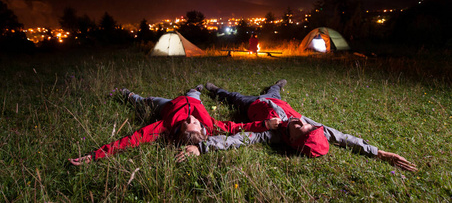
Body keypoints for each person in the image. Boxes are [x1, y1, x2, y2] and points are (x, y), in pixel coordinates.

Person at [177, 80, 418, 171]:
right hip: (276, 100)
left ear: (293, 141)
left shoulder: (273, 135)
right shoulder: (307, 125)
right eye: (306, 124)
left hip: (254, 106)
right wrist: (378, 152)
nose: (301, 121)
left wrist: (203, 147)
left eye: (301, 128)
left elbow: (239, 139)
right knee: (274, 89)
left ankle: (217, 90)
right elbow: (343, 137)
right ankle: (277, 85)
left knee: (234, 97)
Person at [69, 85, 281, 165]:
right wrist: (265, 124)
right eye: (193, 123)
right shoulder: (210, 125)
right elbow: (236, 127)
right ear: (202, 130)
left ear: (178, 130)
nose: (191, 119)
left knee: (147, 101)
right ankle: (195, 90)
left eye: (187, 123)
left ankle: (128, 95)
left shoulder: (164, 125)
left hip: (167, 106)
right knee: (191, 95)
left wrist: (95, 155)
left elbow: (131, 140)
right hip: (187, 99)